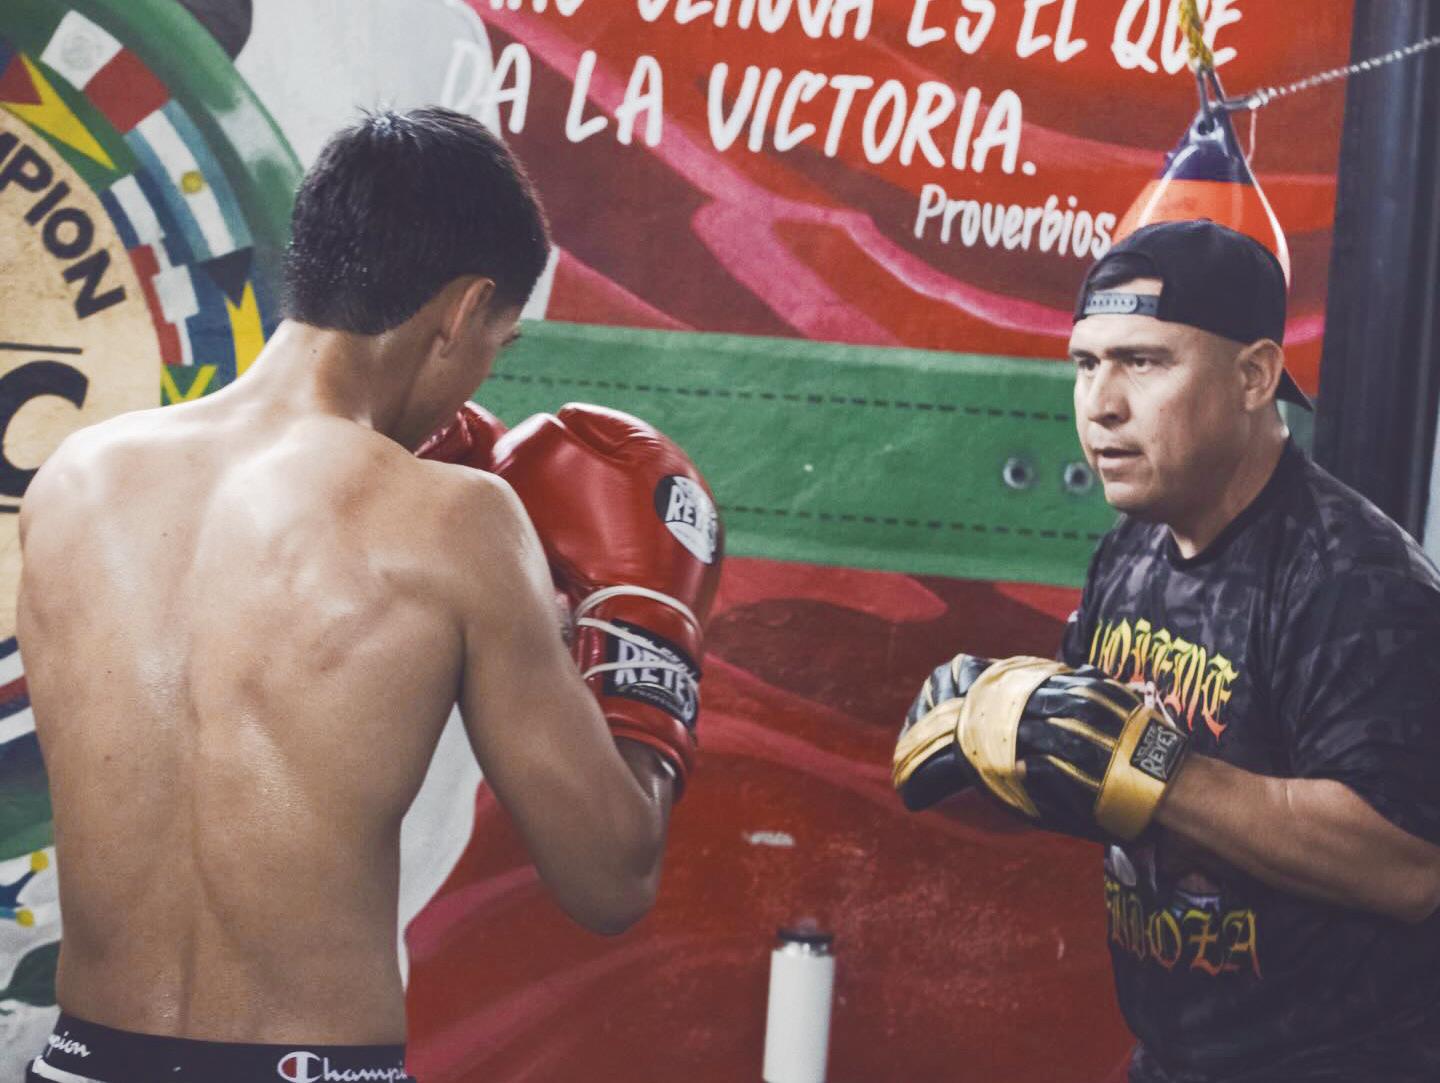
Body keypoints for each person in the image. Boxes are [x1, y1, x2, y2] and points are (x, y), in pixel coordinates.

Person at [17, 107, 721, 1083]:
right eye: (499, 342)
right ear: (465, 309)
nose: (481, 375)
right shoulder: (458, 520)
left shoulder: (75, 480)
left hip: (79, 1062)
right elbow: (612, 877)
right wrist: (647, 635)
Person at [893, 219, 1440, 1082]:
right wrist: (1002, 742)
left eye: (1142, 362)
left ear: (1254, 375)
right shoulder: (1131, 552)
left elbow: (1409, 863)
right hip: (1173, 1058)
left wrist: (1158, 768)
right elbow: (1109, 777)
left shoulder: (1353, 580)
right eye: (1086, 363)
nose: (1101, 403)